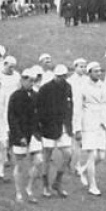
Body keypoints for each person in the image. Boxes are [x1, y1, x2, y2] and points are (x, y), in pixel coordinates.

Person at [74, 62, 106, 196]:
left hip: (101, 123)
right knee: (92, 155)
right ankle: (93, 186)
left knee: (101, 156)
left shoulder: (102, 85)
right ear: (89, 72)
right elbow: (78, 109)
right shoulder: (83, 87)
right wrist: (77, 128)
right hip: (88, 123)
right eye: (96, 71)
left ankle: (83, 170)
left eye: (100, 71)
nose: (99, 73)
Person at [36, 64, 74, 198]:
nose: (61, 79)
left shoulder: (68, 87)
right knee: (47, 157)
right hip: (48, 128)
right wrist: (41, 127)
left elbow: (70, 106)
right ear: (55, 76)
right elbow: (39, 109)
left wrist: (69, 124)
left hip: (63, 127)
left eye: (63, 76)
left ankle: (57, 182)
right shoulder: (45, 89)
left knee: (68, 154)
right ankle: (45, 186)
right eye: (58, 76)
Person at [8, 69, 40, 203]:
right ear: (22, 80)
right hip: (19, 135)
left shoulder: (36, 95)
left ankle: (29, 188)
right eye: (29, 80)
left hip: (34, 134)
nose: (31, 83)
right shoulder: (15, 96)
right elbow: (12, 118)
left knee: (38, 161)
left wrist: (38, 132)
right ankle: (18, 192)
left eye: (33, 81)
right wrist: (19, 136)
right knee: (19, 165)